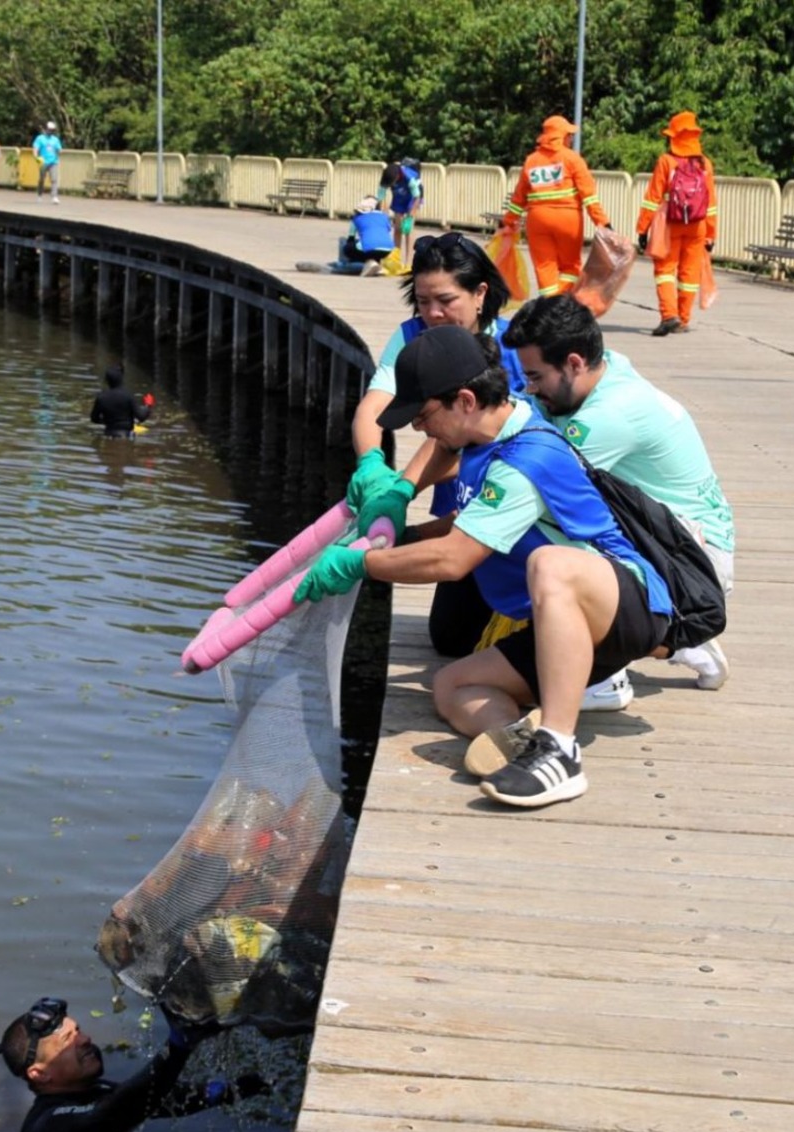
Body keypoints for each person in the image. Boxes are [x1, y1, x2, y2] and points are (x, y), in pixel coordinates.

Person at [298, 326, 672, 809]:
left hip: (628, 605)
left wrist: (360, 564)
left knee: (550, 563)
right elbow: (464, 519)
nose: (418, 429)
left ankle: (560, 751)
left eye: (424, 414)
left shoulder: (527, 456)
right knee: (453, 685)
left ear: (466, 401)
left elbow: (454, 559)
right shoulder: (485, 436)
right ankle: (521, 741)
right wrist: (403, 526)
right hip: (569, 625)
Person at [479, 293, 733, 728]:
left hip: (690, 564)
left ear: (575, 363)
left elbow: (530, 481)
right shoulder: (604, 369)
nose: (531, 389)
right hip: (677, 543)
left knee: (529, 522)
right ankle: (676, 639)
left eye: (536, 376)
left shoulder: (608, 417)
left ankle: (605, 674)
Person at [346, 231, 530, 659]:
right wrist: (372, 464)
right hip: (462, 510)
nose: (432, 313)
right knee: (451, 640)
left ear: (480, 292)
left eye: (445, 301)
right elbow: (374, 406)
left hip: (514, 506)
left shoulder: (517, 348)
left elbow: (467, 446)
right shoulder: (414, 334)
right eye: (423, 300)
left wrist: (406, 486)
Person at [0, 996, 265, 1132]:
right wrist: (177, 1048)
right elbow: (119, 1110)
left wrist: (232, 1090)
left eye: (78, 1030)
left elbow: (159, 1100)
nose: (85, 1039)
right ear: (40, 1074)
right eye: (68, 1040)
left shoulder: (89, 1094)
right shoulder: (51, 1124)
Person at [502, 115, 611, 299]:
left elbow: (519, 197)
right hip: (568, 220)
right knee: (570, 267)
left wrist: (508, 221)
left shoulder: (531, 160)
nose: (571, 138)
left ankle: (550, 305)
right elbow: (589, 196)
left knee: (545, 267)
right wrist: (603, 223)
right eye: (569, 134)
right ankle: (559, 303)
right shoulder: (572, 159)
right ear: (562, 136)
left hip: (537, 220)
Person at [636, 111, 718, 335]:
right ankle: (683, 319)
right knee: (690, 274)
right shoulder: (705, 164)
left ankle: (668, 315)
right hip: (698, 225)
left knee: (664, 269)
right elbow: (711, 203)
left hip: (670, 224)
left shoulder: (666, 161)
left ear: (674, 137)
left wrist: (642, 229)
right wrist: (711, 234)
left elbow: (653, 198)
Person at [90, 365, 149, 439]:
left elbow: (94, 419)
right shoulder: (128, 396)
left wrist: (108, 421)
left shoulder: (101, 398)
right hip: (127, 435)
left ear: (107, 381)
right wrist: (148, 405)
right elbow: (141, 417)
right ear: (121, 380)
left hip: (109, 433)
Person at [342, 196, 395, 275]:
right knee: (374, 245)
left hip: (370, 248)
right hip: (388, 249)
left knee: (348, 247)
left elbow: (350, 238)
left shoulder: (356, 217)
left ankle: (368, 262)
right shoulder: (384, 216)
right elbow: (386, 232)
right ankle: (377, 265)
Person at [387, 156, 423, 261]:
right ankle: (396, 259)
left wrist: (410, 216)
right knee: (398, 228)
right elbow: (381, 196)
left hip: (413, 198)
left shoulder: (410, 178)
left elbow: (417, 197)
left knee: (408, 229)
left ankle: (409, 261)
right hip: (399, 196)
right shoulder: (388, 176)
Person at [33, 120, 63, 204]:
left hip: (53, 161)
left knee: (54, 179)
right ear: (46, 129)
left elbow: (59, 149)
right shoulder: (40, 138)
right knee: (42, 179)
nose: (51, 131)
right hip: (43, 161)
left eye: (52, 130)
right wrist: (36, 157)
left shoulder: (55, 139)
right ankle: (39, 195)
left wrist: (59, 152)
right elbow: (36, 148)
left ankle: (54, 196)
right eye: (50, 129)